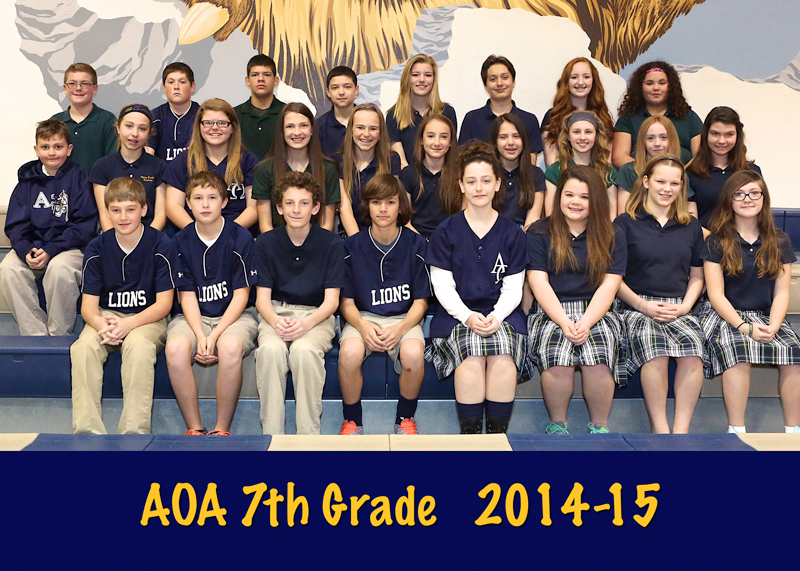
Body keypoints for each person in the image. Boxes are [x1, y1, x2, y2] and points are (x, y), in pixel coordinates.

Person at [425, 143, 531, 434]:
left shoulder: (513, 233)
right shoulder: (445, 232)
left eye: (486, 180)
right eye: (471, 181)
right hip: (457, 317)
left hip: (503, 315)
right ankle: (470, 438)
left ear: (497, 184)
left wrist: (496, 317)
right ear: (461, 185)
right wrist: (468, 317)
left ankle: (496, 438)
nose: (479, 188)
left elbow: (514, 289)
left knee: (503, 356)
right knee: (470, 355)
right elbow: (442, 287)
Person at [70, 177, 178, 434]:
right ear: (107, 212)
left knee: (138, 346)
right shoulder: (97, 247)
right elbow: (88, 306)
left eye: (130, 209)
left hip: (147, 317)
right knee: (83, 348)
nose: (123, 217)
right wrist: (100, 324)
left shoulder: (162, 245)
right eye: (116, 210)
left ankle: (133, 433)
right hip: (107, 316)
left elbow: (164, 304)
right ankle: (87, 433)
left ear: (144, 209)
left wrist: (128, 324)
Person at [527, 165, 626, 434]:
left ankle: (600, 427)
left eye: (584, 197)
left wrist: (585, 322)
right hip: (552, 309)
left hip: (597, 309)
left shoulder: (612, 233)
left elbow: (610, 284)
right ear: (559, 196)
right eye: (569, 195)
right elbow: (538, 282)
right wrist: (564, 322)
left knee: (598, 354)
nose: (576, 202)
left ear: (597, 200)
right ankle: (558, 425)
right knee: (558, 353)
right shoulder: (539, 232)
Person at [700, 171, 800, 434]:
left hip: (767, 314)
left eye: (754, 193)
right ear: (729, 200)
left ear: (763, 198)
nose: (747, 199)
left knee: (794, 352)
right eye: (739, 194)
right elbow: (716, 295)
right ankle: (737, 430)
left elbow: (781, 293)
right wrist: (744, 327)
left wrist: (774, 326)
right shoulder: (716, 241)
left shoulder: (779, 240)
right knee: (739, 351)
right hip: (725, 315)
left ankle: (793, 431)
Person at [614, 155, 705, 434]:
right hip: (637, 306)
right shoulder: (624, 223)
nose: (667, 189)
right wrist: (643, 306)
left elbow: (697, 276)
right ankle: (661, 431)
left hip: (679, 307)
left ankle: (681, 432)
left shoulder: (691, 226)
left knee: (693, 352)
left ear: (682, 187)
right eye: (660, 181)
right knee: (656, 351)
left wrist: (685, 307)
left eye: (674, 183)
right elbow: (613, 280)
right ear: (646, 182)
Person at [166, 171, 258, 436]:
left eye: (212, 197)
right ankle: (194, 428)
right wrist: (200, 334)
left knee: (229, 346)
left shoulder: (241, 237)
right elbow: (186, 295)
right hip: (192, 316)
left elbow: (241, 295)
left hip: (237, 315)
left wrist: (215, 335)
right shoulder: (179, 241)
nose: (205, 204)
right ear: (187, 203)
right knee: (175, 348)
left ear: (224, 202)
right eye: (198, 198)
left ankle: (221, 429)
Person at [253, 172, 344, 435]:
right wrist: (276, 321)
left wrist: (305, 325)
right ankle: (272, 437)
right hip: (276, 312)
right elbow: (262, 299)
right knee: (270, 351)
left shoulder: (331, 243)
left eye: (304, 203)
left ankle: (307, 440)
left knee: (304, 352)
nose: (296, 209)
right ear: (279, 208)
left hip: (317, 315)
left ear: (315, 208)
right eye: (289, 203)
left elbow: (331, 302)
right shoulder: (266, 243)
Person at [338, 175, 430, 435]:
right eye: (376, 202)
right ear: (367, 206)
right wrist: (362, 326)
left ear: (401, 206)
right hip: (363, 317)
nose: (383, 209)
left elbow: (421, 302)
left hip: (404, 318)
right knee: (349, 353)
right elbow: (346, 303)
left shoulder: (417, 244)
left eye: (390, 202)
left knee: (413, 353)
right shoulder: (351, 246)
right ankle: (352, 420)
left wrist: (401, 328)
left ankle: (405, 418)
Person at [0, 119, 97, 336]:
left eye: (58, 147)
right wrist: (26, 250)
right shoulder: (26, 182)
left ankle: (58, 335)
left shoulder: (79, 179)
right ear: (36, 150)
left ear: (69, 149)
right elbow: (15, 225)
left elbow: (84, 225)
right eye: (45, 147)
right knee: (8, 268)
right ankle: (36, 336)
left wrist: (52, 249)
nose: (52, 153)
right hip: (34, 246)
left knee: (59, 269)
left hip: (68, 248)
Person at [164, 99, 259, 233]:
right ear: (199, 127)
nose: (215, 128)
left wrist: (226, 233)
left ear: (232, 127)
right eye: (208, 122)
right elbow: (173, 207)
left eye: (222, 123)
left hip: (236, 233)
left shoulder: (248, 160)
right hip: (192, 232)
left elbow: (254, 208)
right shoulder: (184, 160)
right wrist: (197, 233)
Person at [253, 103, 340, 232]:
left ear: (312, 130)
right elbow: (265, 225)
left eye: (303, 125)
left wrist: (317, 244)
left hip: (317, 242)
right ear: (282, 131)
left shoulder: (327, 169)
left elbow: (327, 224)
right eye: (290, 126)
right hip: (276, 242)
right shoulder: (264, 169)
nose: (297, 132)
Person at [90, 104, 167, 231]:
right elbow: (105, 216)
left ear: (149, 133)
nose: (135, 133)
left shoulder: (159, 167)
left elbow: (160, 216)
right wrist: (115, 241)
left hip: (150, 235)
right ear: (118, 127)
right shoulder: (102, 166)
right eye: (129, 126)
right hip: (113, 236)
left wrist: (146, 240)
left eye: (142, 129)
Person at [613, 61, 702, 168]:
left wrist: (679, 174)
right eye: (649, 83)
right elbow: (619, 157)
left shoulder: (689, 117)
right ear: (640, 87)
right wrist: (649, 174)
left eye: (662, 83)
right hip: (640, 176)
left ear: (671, 86)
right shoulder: (628, 118)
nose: (656, 88)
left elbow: (700, 156)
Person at [687, 106, 762, 229]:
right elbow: (691, 222)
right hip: (705, 239)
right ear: (705, 135)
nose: (722, 141)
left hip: (742, 239)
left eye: (729, 134)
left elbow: (759, 216)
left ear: (738, 136)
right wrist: (713, 239)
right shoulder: (691, 173)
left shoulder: (752, 172)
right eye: (715, 134)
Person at [459, 55, 543, 164]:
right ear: (485, 85)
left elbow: (530, 164)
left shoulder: (529, 120)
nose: (499, 83)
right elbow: (463, 160)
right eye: (493, 79)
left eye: (505, 77)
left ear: (513, 82)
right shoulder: (472, 119)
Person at [336, 103, 401, 235]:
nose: (366, 134)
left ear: (381, 133)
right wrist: (359, 242)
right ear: (351, 130)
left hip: (383, 234)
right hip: (350, 235)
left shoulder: (391, 160)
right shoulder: (339, 161)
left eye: (373, 129)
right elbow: (345, 209)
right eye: (360, 127)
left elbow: (389, 207)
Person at [386, 54, 458, 169]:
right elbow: (400, 161)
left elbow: (451, 155)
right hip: (408, 178)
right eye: (415, 75)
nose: (422, 80)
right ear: (407, 79)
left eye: (428, 75)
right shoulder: (394, 115)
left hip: (441, 176)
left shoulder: (447, 112)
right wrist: (413, 178)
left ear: (434, 79)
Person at [615, 115, 695, 215]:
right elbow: (622, 215)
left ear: (672, 140)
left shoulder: (680, 173)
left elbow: (690, 214)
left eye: (663, 137)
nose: (657, 143)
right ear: (643, 141)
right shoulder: (629, 171)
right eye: (650, 138)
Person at [541, 57, 614, 167]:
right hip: (563, 176)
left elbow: (607, 160)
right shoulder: (553, 116)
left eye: (586, 77)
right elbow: (551, 161)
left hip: (596, 176)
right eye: (574, 77)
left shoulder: (602, 116)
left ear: (593, 81)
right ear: (566, 81)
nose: (580, 82)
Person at [545, 111, 617, 217]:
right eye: (576, 132)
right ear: (568, 136)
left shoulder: (608, 172)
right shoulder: (555, 171)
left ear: (596, 136)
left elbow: (611, 215)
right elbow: (551, 214)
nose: (582, 137)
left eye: (588, 132)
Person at [399, 114, 460, 239]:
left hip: (449, 240)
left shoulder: (459, 174)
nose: (437, 143)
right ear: (421, 140)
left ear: (451, 142)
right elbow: (405, 220)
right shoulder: (409, 173)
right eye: (431, 136)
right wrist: (422, 243)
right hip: (415, 240)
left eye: (444, 137)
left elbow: (463, 217)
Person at [51, 63, 116, 174]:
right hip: (61, 184)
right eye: (72, 83)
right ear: (65, 88)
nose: (78, 88)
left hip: (96, 184)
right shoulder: (54, 122)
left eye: (84, 84)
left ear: (94, 88)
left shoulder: (108, 120)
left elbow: (113, 162)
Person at [489, 114, 545, 229]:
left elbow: (532, 219)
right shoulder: (486, 174)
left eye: (516, 136)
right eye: (503, 137)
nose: (511, 142)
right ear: (495, 142)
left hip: (523, 235)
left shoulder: (536, 175)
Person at [234, 54, 285, 160]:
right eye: (255, 75)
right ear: (247, 80)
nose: (261, 79)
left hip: (279, 170)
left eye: (267, 75)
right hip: (243, 171)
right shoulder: (234, 115)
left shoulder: (287, 114)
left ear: (276, 81)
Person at [149, 62, 200, 162]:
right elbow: (148, 156)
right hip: (163, 172)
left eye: (182, 82)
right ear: (164, 87)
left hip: (198, 171)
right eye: (171, 82)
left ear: (192, 86)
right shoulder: (154, 117)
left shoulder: (203, 116)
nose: (176, 87)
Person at [317, 66, 359, 157]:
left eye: (347, 87)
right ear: (328, 92)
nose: (341, 92)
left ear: (356, 90)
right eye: (335, 87)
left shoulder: (369, 122)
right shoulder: (319, 126)